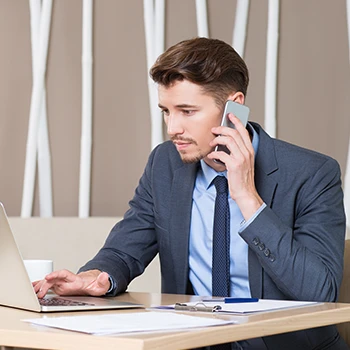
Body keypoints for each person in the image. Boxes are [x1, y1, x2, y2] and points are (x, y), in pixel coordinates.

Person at [34, 37, 347, 349]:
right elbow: (124, 250)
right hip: (193, 342)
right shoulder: (164, 164)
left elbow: (320, 291)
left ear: (234, 109)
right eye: (166, 111)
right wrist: (96, 276)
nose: (172, 128)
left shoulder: (312, 173)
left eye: (186, 111)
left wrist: (248, 198)